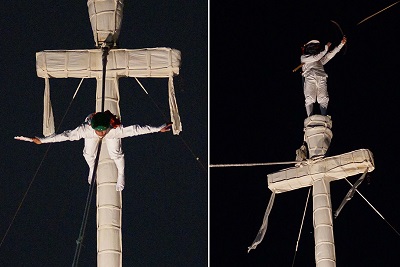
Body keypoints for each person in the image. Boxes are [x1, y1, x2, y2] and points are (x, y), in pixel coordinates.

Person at [29, 110, 172, 191]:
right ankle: (92, 168)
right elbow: (65, 135)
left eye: (103, 131)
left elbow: (136, 129)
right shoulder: (86, 129)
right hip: (90, 133)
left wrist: (158, 129)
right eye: (99, 132)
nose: (102, 134)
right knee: (88, 153)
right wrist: (42, 140)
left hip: (113, 134)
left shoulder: (114, 129)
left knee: (115, 153)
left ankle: (121, 173)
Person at [300, 36, 347, 117]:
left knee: (323, 98)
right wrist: (325, 50)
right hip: (310, 77)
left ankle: (324, 117)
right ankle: (310, 118)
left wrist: (341, 44)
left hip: (322, 77)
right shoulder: (304, 58)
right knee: (309, 98)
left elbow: (330, 55)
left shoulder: (319, 60)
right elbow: (315, 57)